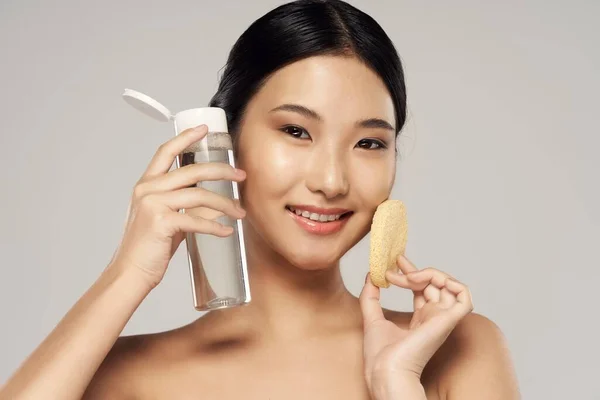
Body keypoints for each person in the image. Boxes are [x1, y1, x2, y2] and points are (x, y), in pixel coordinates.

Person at [0, 1, 520, 399]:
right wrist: (128, 274)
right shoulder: (127, 376)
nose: (333, 181)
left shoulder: (456, 350)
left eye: (369, 143)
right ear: (223, 139)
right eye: (296, 131)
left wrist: (397, 381)